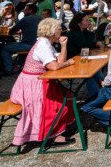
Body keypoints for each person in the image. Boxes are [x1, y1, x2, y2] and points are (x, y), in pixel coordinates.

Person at [10, 18, 76, 147]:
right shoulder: (42, 45)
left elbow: (58, 61)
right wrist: (68, 63)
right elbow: (54, 67)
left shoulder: (45, 43)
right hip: (33, 85)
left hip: (40, 81)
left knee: (67, 95)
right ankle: (51, 135)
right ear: (51, 32)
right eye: (58, 28)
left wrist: (63, 46)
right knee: (56, 103)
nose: (61, 30)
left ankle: (60, 128)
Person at [67, 12, 103, 98]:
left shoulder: (83, 31)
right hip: (72, 61)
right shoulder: (74, 33)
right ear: (79, 23)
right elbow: (85, 44)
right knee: (91, 72)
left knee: (95, 69)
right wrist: (91, 32)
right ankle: (97, 94)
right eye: (86, 20)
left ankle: (101, 89)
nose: (89, 22)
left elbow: (90, 43)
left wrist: (95, 44)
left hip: (80, 60)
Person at [2, 3, 41, 75]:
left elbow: (12, 30)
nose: (24, 11)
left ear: (31, 10)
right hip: (38, 45)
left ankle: (8, 69)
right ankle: (20, 64)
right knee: (17, 44)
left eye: (26, 9)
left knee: (5, 47)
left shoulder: (25, 19)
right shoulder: (41, 18)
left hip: (28, 45)